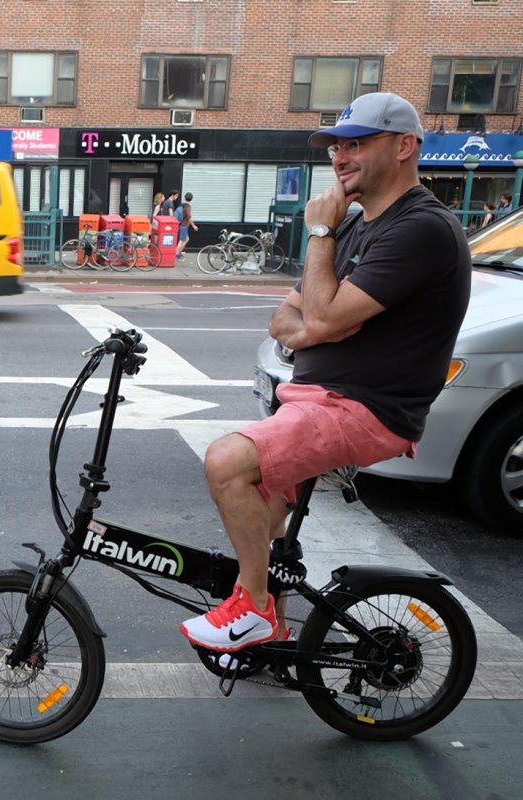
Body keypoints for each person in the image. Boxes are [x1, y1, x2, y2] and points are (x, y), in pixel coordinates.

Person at [180, 92, 470, 653]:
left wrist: (319, 240)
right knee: (260, 510)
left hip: (363, 408)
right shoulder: (358, 225)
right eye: (337, 146)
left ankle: (256, 610)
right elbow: (284, 320)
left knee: (226, 461)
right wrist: (318, 322)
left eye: (357, 144)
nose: (340, 157)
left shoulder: (420, 228)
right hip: (315, 398)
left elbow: (318, 313)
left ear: (405, 146)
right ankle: (275, 627)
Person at [174, 192, 197, 260]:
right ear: (191, 199)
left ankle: (178, 252)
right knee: (181, 241)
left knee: (186, 239)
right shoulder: (188, 206)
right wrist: (194, 226)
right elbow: (189, 217)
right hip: (184, 225)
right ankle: (176, 255)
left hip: (181, 224)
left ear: (184, 197)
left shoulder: (181, 205)